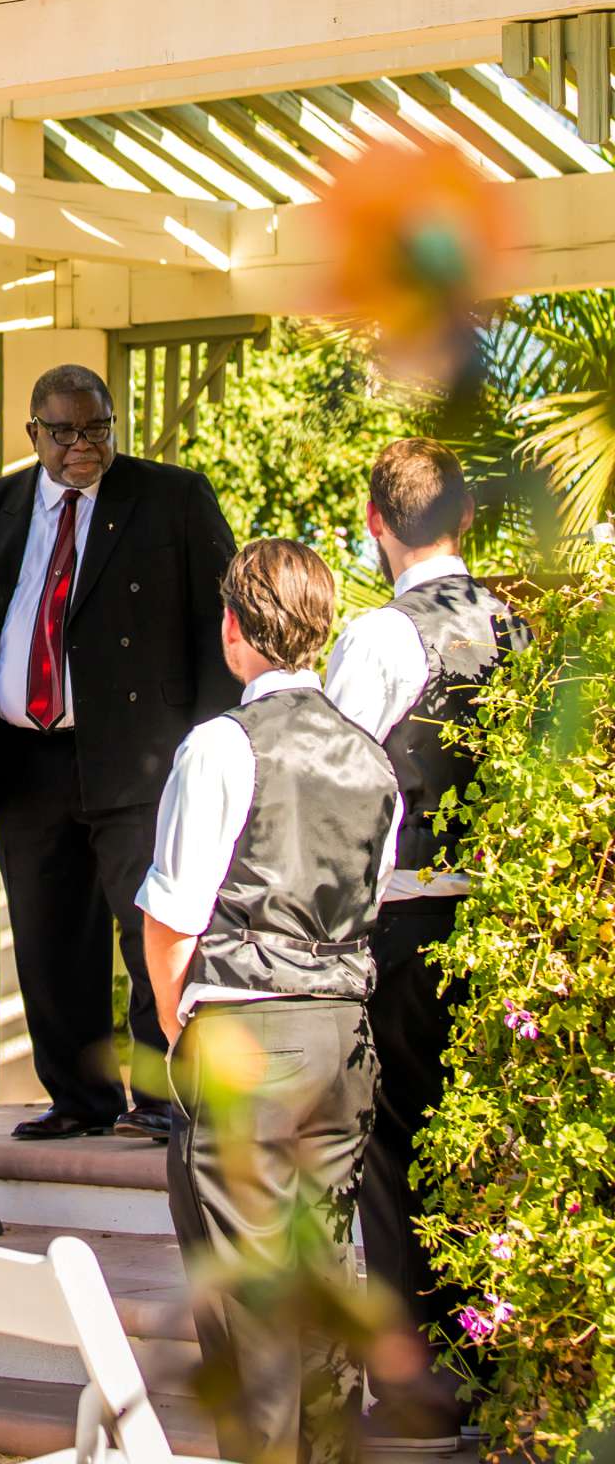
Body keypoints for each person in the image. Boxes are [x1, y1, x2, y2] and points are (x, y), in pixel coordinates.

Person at [139, 540, 401, 1464]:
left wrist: (181, 1030)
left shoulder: (219, 746)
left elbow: (171, 919)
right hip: (344, 1041)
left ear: (234, 629)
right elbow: (371, 894)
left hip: (249, 1030)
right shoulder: (373, 758)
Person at [0, 362, 236, 1143]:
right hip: (27, 759)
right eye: (65, 430)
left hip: (142, 759)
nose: (83, 444)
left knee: (153, 931)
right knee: (46, 936)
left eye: (97, 427)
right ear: (32, 433)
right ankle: (77, 1097)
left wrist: (216, 746)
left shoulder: (173, 498)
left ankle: (165, 1097)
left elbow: (221, 629)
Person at [325, 438, 530, 1450]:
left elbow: (333, 783)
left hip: (403, 922)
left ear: (373, 524)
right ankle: (494, 1365)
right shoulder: (517, 626)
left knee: (395, 1156)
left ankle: (417, 1396)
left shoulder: (377, 635)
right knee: (480, 1151)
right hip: (502, 937)